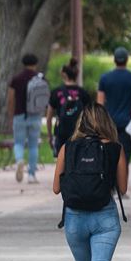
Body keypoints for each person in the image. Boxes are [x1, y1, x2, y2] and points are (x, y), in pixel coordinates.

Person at [54, 103, 129, 261]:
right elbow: (123, 188)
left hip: (75, 218)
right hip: (104, 216)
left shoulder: (68, 148)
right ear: (105, 122)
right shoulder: (116, 149)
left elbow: (56, 188)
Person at [97, 46, 131, 160]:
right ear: (127, 60)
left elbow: (99, 103)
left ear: (114, 60)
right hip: (127, 124)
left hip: (109, 124)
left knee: (108, 158)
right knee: (124, 158)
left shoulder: (104, 78)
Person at [7, 52, 44, 183]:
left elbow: (11, 98)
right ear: (36, 64)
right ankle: (31, 175)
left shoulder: (16, 79)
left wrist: (11, 113)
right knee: (34, 145)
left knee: (18, 143)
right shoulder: (40, 78)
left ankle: (19, 160)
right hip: (35, 115)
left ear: (23, 63)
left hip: (20, 115)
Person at [48, 61, 90, 155]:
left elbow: (49, 116)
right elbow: (90, 115)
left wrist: (50, 136)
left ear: (64, 75)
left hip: (61, 131)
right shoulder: (83, 93)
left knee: (61, 160)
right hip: (79, 132)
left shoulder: (56, 92)